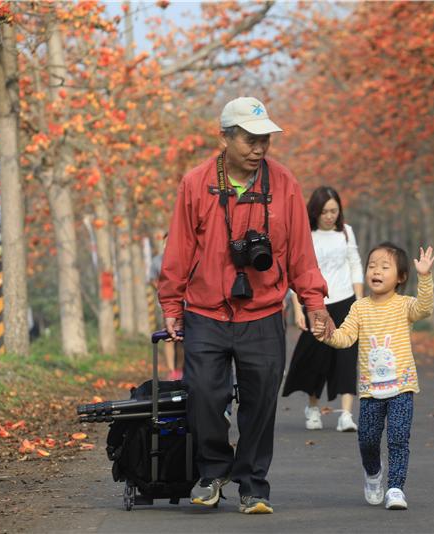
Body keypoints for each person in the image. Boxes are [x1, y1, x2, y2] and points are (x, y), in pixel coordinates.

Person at [157, 96, 334, 515]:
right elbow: (179, 248)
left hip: (263, 311)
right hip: (205, 311)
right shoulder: (196, 183)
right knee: (202, 392)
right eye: (250, 140)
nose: (259, 149)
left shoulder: (284, 184)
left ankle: (253, 484)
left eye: (265, 140)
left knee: (260, 399)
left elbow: (300, 252)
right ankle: (213, 470)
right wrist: (171, 302)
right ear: (225, 137)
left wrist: (314, 304)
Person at [313, 242, 434, 511]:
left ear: (401, 277)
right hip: (371, 390)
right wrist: (328, 335)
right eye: (371, 266)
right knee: (368, 440)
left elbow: (425, 308)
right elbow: (346, 337)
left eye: (384, 266)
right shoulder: (360, 308)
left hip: (402, 386)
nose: (375, 271)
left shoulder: (405, 306)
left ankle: (395, 488)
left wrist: (425, 276)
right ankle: (373, 472)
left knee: (398, 439)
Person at [282, 186, 364, 432]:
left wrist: (359, 302)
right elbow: (297, 273)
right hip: (316, 304)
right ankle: (313, 407)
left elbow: (355, 265)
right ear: (315, 212)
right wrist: (298, 309)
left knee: (347, 359)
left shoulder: (346, 233)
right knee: (316, 360)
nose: (330, 216)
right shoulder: (306, 235)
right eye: (325, 211)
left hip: (345, 301)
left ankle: (346, 415)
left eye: (334, 211)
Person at [149, 233, 180, 380]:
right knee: (168, 336)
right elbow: (152, 279)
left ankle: (181, 368)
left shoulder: (183, 259)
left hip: (183, 303)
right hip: (165, 304)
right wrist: (163, 289)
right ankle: (171, 369)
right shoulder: (157, 261)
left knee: (181, 338)